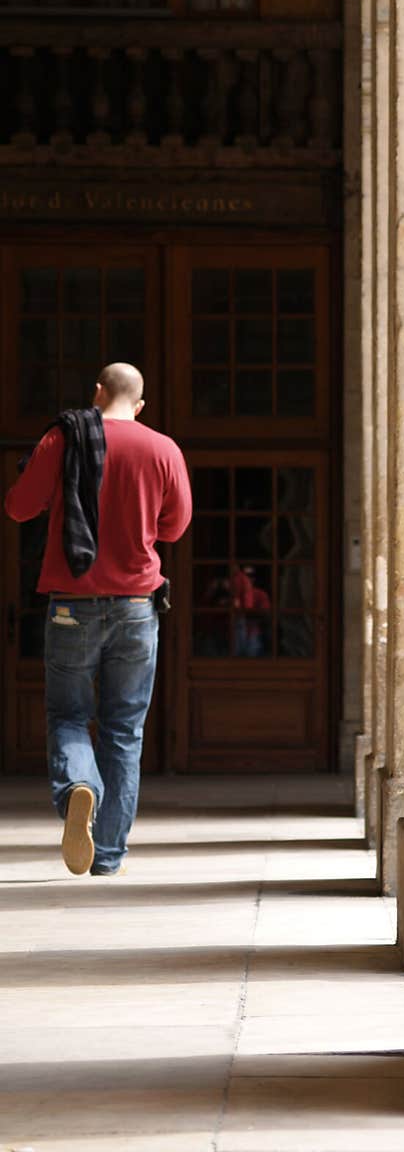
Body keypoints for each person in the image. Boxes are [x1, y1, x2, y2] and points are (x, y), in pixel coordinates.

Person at [4, 363, 192, 877]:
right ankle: (108, 855)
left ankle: (77, 786)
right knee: (124, 729)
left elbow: (19, 508)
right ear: (140, 403)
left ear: (96, 393)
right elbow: (174, 528)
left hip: (71, 602)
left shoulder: (63, 439)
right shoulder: (163, 449)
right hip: (137, 605)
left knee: (67, 715)